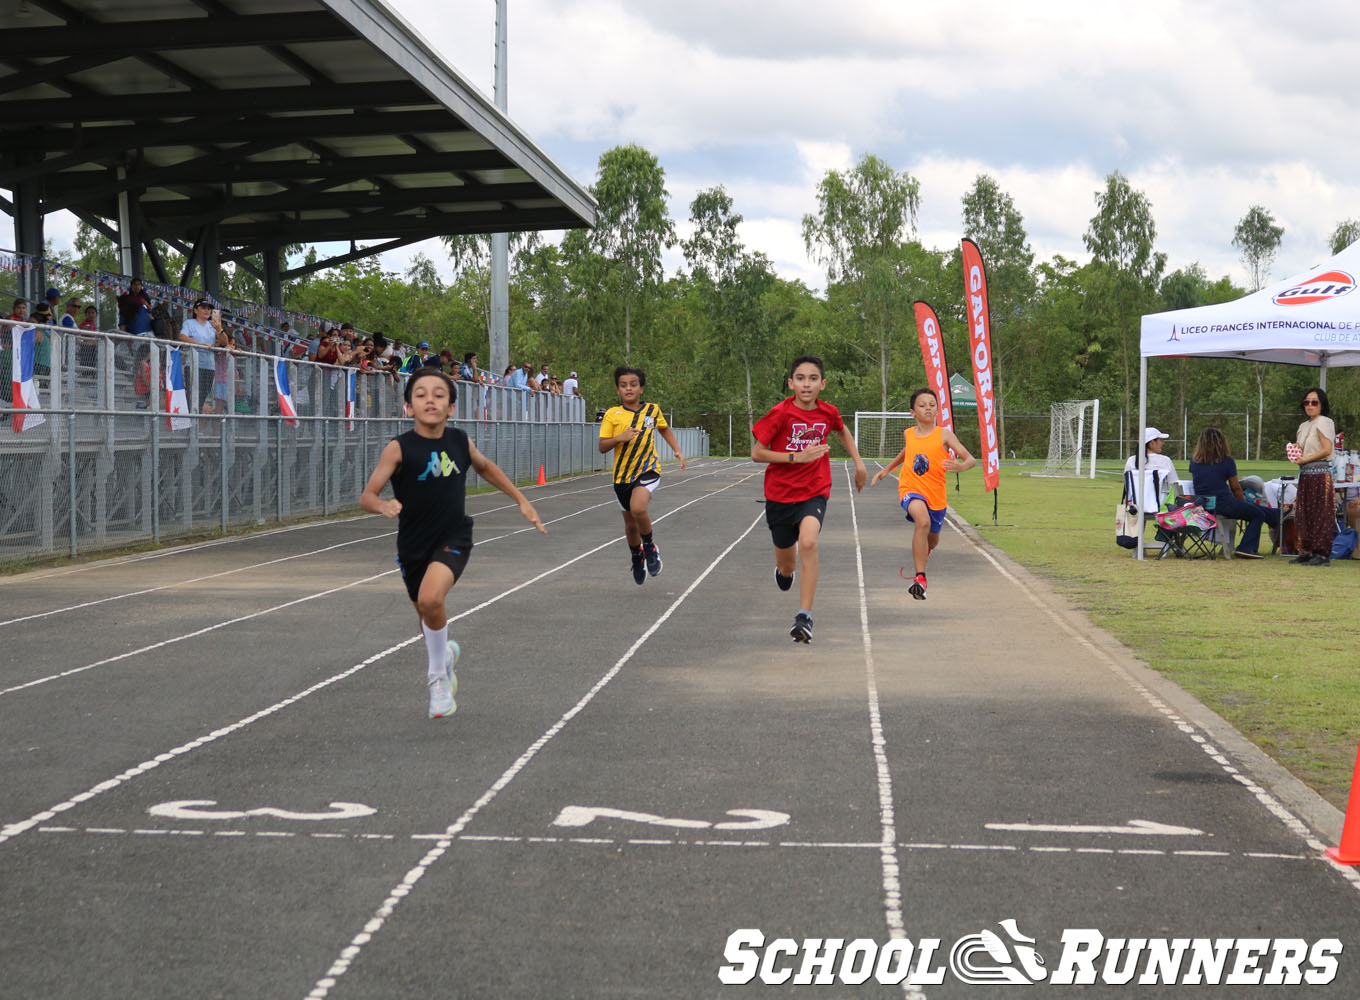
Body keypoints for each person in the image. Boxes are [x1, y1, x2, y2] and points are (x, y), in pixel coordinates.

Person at [360, 367, 545, 718]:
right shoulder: (399, 448)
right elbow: (367, 495)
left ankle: (437, 680)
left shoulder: (460, 441)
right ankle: (443, 655)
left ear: (451, 407)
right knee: (426, 613)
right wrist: (382, 504)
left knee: (432, 598)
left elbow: (486, 468)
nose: (430, 399)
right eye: (421, 394)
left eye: (439, 394)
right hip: (413, 544)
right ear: (408, 407)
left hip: (453, 535)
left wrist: (521, 499)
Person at [750, 354, 868, 641]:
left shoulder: (828, 413)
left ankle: (805, 617)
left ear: (823, 384)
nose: (806, 384)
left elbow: (842, 431)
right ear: (791, 383)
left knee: (809, 542)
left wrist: (859, 463)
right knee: (787, 564)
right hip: (779, 495)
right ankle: (784, 573)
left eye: (813, 378)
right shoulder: (780, 413)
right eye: (800, 378)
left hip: (814, 491)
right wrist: (796, 457)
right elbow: (757, 452)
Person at [869, 387, 976, 599]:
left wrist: (960, 467)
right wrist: (888, 469)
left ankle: (923, 553)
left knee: (933, 540)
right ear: (912, 412)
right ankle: (920, 578)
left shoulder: (944, 434)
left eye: (932, 405)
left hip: (936, 493)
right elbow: (907, 451)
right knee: (923, 522)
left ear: (937, 410)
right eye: (922, 405)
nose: (928, 408)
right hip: (911, 488)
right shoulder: (909, 433)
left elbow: (970, 459)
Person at [599, 365, 687, 585]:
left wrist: (677, 449)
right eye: (623, 385)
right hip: (622, 478)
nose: (629, 389)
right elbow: (602, 446)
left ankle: (649, 546)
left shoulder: (652, 411)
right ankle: (636, 555)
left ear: (641, 389)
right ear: (618, 390)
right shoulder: (612, 414)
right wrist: (621, 437)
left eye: (633, 384)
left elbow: (663, 428)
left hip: (648, 470)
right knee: (630, 525)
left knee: (639, 507)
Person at [1186, 426, 1279, 560]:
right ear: (1221, 443)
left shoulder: (1194, 461)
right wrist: (1244, 503)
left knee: (1257, 510)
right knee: (1257, 513)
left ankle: (1275, 516)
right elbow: (1235, 488)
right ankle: (1246, 548)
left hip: (1204, 503)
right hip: (1224, 502)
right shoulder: (1227, 461)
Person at [1290, 388, 1336, 566]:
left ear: (1321, 404)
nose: (1309, 405)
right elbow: (1303, 448)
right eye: (1307, 402)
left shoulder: (1324, 422)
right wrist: (1294, 450)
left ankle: (1321, 553)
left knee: (1320, 513)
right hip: (1306, 474)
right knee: (1303, 512)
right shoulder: (1304, 426)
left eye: (1314, 402)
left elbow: (1327, 449)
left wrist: (1306, 459)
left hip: (1319, 473)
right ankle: (1306, 550)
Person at [178, 298, 226, 413]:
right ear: (195, 310)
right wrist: (199, 344)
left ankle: (193, 426)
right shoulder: (189, 323)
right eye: (203, 308)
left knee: (202, 398)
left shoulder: (212, 325)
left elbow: (224, 342)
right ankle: (190, 426)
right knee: (193, 397)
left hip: (209, 367)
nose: (207, 310)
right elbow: (182, 336)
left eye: (209, 308)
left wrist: (219, 328)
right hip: (194, 365)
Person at [1123, 427, 1179, 515]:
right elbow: (1175, 484)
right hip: (1161, 505)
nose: (1162, 443)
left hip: (1134, 505)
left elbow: (1128, 486)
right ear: (1152, 443)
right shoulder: (1165, 461)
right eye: (1160, 440)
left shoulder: (1131, 460)